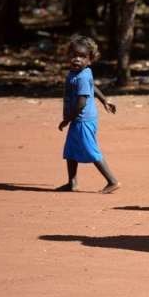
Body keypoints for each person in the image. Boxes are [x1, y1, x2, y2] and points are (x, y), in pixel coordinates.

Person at [57, 35, 120, 193]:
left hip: (82, 119)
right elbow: (93, 87)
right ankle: (72, 182)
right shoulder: (80, 73)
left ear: (90, 60)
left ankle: (112, 181)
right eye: (74, 55)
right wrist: (105, 100)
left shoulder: (82, 76)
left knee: (91, 150)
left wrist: (67, 120)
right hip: (77, 119)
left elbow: (82, 102)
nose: (77, 59)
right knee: (70, 151)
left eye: (82, 56)